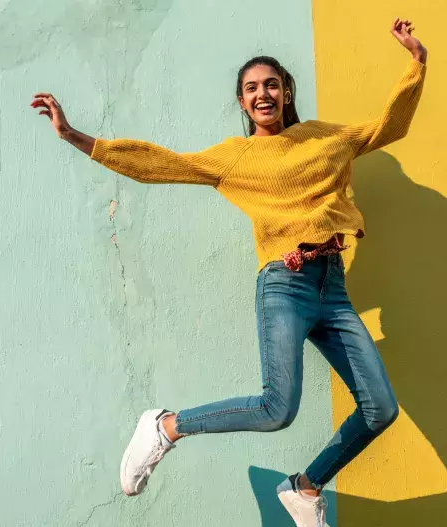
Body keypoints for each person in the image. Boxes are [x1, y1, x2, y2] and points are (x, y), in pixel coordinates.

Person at [31, 17, 427, 527]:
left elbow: (385, 126)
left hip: (333, 286)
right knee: (277, 408)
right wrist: (75, 136)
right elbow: (159, 164)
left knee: (380, 409)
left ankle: (304, 488)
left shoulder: (325, 139)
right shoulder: (234, 158)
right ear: (243, 103)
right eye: (251, 89)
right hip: (285, 284)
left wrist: (417, 64)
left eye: (271, 85)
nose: (262, 94)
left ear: (286, 92)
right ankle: (167, 426)